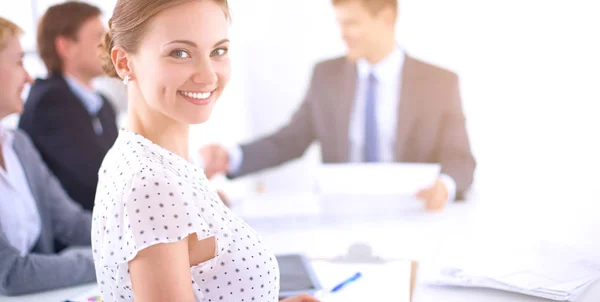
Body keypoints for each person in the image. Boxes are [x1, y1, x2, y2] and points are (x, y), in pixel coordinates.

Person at [93, 1, 318, 301]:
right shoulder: (151, 182)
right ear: (124, 62)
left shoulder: (149, 159)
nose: (208, 75)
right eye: (180, 53)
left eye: (218, 51)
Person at [200, 0, 476, 211]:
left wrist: (445, 186)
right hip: (342, 215)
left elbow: (460, 158)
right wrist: (232, 157)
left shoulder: (439, 83)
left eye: (351, 24)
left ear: (387, 18)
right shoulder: (326, 76)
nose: (343, 34)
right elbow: (291, 139)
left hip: (414, 214)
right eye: (340, 23)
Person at [0, 16, 95, 296]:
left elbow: (71, 221)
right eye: (19, 62)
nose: (29, 77)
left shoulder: (18, 145)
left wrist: (141, 236)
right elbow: (11, 274)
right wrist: (116, 258)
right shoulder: (52, 103)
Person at [18, 1, 118, 211]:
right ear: (66, 46)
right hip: (73, 236)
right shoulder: (50, 102)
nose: (109, 44)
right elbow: (99, 178)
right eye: (98, 36)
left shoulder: (102, 104)